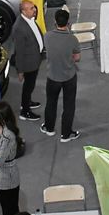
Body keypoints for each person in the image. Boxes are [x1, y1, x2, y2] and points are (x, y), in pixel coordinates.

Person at [40, 8, 82, 141]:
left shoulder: (47, 36)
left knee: (51, 102)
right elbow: (77, 57)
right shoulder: (72, 39)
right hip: (69, 77)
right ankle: (66, 134)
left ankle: (49, 128)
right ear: (68, 23)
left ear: (55, 22)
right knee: (69, 105)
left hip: (52, 77)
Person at [6, 0, 44, 121]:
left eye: (34, 7)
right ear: (23, 11)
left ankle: (27, 102)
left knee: (30, 85)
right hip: (28, 64)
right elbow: (19, 52)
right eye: (31, 8)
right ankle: (25, 111)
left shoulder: (29, 19)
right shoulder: (19, 28)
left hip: (34, 59)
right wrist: (20, 71)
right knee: (28, 86)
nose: (35, 9)